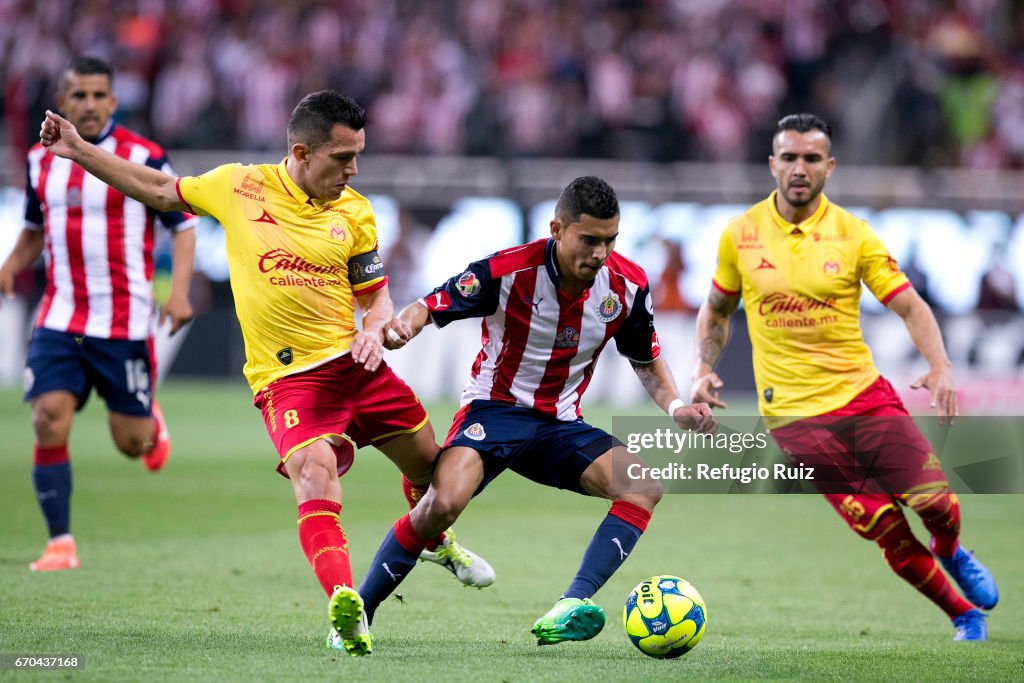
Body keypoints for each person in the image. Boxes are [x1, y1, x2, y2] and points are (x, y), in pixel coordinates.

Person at [35, 89, 494, 657]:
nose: (353, 170)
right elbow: (158, 188)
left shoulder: (355, 211)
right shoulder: (237, 186)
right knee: (314, 472)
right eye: (342, 157)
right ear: (301, 152)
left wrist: (375, 329)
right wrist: (79, 150)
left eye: (358, 156)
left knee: (434, 473)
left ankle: (437, 540)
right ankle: (346, 604)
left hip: (357, 365)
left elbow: (375, 297)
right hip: (289, 381)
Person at [358, 176, 716, 648]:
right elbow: (431, 304)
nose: (600, 253)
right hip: (495, 410)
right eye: (589, 240)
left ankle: (571, 603)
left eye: (610, 240)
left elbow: (645, 360)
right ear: (557, 229)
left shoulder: (627, 285)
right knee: (441, 506)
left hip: (560, 425)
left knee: (643, 486)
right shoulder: (508, 271)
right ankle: (360, 611)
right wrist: (405, 326)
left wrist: (674, 406)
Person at [690, 113, 999, 641]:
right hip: (794, 420)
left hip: (864, 398)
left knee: (935, 505)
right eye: (789, 157)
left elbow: (911, 307)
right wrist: (702, 368)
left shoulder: (853, 235)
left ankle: (949, 549)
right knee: (884, 528)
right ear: (772, 164)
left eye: (811, 158)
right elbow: (716, 309)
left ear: (829, 167)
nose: (799, 168)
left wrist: (940, 365)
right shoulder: (739, 235)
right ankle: (963, 615)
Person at [0, 57, 197, 573]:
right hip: (60, 317)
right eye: (79, 95)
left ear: (112, 101)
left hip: (125, 322)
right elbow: (34, 227)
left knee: (132, 444)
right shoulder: (39, 158)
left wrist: (178, 293)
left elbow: (182, 224)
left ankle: (149, 419)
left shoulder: (144, 155)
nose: (89, 104)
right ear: (63, 102)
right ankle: (59, 542)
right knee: (47, 417)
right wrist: (10, 264)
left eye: (98, 95)